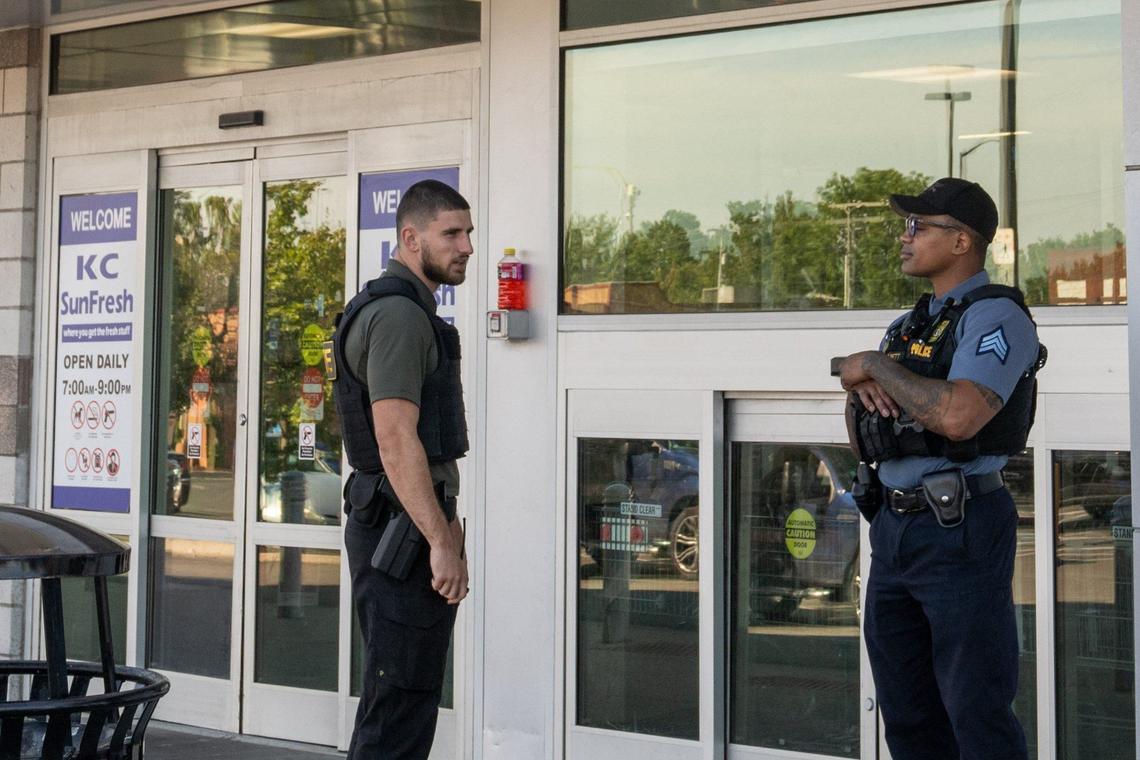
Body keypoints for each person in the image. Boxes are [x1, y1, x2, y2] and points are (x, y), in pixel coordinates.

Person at [836, 178, 1045, 760]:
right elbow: (862, 430)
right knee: (907, 717)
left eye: (918, 227)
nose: (905, 238)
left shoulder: (997, 316)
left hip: (961, 526)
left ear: (961, 242)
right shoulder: (910, 325)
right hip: (895, 527)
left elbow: (959, 416)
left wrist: (875, 368)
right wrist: (871, 387)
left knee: (974, 713)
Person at [332, 179, 472, 759]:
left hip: (401, 524)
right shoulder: (399, 317)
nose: (466, 246)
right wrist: (440, 541)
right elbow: (394, 440)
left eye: (468, 233)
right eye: (452, 233)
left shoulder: (402, 310)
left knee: (402, 701)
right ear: (411, 238)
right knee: (398, 709)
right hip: (403, 534)